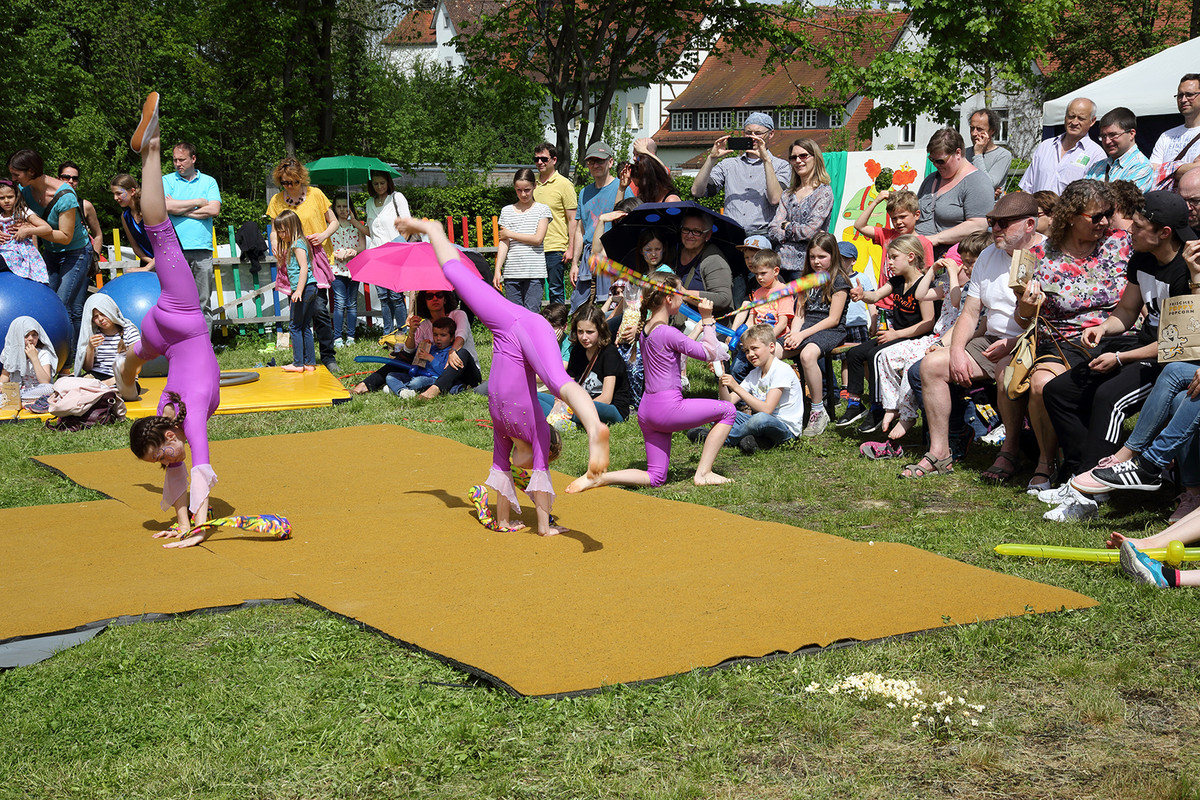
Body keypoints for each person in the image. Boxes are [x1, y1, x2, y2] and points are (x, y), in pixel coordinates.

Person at [395, 215, 610, 536]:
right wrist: (529, 525)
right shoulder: (532, 434)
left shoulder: (518, 433)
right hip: (512, 322)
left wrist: (519, 523)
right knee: (454, 272)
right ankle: (432, 230)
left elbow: (507, 473)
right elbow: (512, 476)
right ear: (550, 452)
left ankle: (595, 428)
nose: (520, 470)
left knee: (555, 380)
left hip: (516, 325)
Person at [1049, 194, 1199, 521]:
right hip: (1141, 348)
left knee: (1108, 398)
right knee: (1059, 391)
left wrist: (1121, 358)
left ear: (1164, 232)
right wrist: (1104, 329)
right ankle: (1077, 476)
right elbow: (1128, 310)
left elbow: (1179, 346)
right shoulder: (1142, 257)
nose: (1130, 230)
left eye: (1140, 227)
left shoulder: (1187, 271)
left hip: (1165, 359)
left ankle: (1095, 492)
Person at [116, 92, 222, 548]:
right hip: (166, 337)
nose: (165, 463)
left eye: (159, 457)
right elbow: (180, 470)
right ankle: (124, 377)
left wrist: (197, 528)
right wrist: (184, 522)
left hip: (181, 325)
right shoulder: (168, 420)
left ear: (161, 436)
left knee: (160, 235)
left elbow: (200, 468)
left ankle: (152, 149)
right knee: (135, 357)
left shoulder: (185, 417)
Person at [908, 192, 1045, 479]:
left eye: (1004, 223)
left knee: (1005, 371)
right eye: (993, 221)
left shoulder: (1047, 254)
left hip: (1033, 342)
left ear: (1030, 224)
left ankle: (1009, 451)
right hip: (991, 339)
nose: (995, 229)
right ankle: (940, 452)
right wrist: (957, 351)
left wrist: (1013, 343)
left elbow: (1047, 317)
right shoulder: (988, 254)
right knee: (930, 366)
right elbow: (970, 312)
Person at [1014, 179, 1130, 494]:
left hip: (1118, 334)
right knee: (1040, 385)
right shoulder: (1037, 253)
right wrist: (1026, 305)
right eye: (1096, 216)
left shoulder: (1120, 243)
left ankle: (1090, 467)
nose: (1105, 222)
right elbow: (1022, 317)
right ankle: (1045, 461)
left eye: (1108, 213)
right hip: (1062, 338)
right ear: (1070, 216)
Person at [568, 273, 733, 491]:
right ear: (668, 299)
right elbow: (710, 352)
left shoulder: (647, 329)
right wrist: (708, 319)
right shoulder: (666, 331)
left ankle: (600, 477)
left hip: (647, 412)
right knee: (728, 410)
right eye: (680, 292)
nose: (683, 297)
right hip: (667, 409)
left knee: (656, 477)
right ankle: (703, 473)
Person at [859, 231, 988, 460]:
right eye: (962, 262)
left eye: (968, 263)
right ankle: (891, 407)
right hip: (938, 338)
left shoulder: (966, 287)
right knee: (885, 356)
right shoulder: (949, 285)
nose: (964, 267)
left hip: (950, 340)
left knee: (914, 365)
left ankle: (909, 417)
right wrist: (933, 269)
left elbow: (958, 307)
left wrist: (951, 272)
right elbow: (921, 294)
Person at [691, 112, 791, 305]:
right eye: (748, 133)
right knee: (735, 287)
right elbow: (697, 190)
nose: (752, 137)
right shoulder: (729, 164)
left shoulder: (781, 165)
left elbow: (775, 198)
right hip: (732, 235)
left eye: (758, 133)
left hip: (762, 235)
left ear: (771, 135)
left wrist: (766, 161)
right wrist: (711, 159)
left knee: (761, 288)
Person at [841, 234, 937, 434]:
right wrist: (863, 295)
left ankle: (878, 407)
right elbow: (876, 295)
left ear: (911, 257)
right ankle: (855, 403)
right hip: (897, 335)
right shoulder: (897, 281)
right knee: (853, 354)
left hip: (914, 338)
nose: (889, 262)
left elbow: (928, 323)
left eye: (893, 257)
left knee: (874, 355)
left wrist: (896, 334)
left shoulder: (923, 286)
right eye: (888, 257)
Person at [6, 149, 93, 346]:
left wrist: (32, 231)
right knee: (44, 303)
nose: (13, 179)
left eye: (16, 174)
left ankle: (69, 362)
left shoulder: (65, 196)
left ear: (30, 171)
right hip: (51, 253)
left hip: (75, 253)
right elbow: (21, 220)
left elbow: (65, 236)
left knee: (61, 305)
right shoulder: (26, 190)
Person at [266, 156, 339, 373]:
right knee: (300, 313)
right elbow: (273, 230)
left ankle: (327, 356)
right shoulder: (277, 201)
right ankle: (305, 359)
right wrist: (275, 245)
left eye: (293, 182)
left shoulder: (316, 195)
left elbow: (334, 221)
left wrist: (323, 235)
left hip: (316, 258)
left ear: (301, 179)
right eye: (285, 183)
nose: (289, 186)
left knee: (320, 311)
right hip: (292, 260)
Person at [351, 289, 481, 399]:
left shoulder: (458, 314)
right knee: (402, 358)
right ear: (424, 301)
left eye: (439, 295)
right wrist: (412, 332)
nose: (435, 299)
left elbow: (461, 336)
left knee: (462, 352)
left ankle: (433, 391)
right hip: (434, 373)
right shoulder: (424, 325)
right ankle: (366, 385)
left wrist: (452, 352)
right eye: (429, 296)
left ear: (445, 299)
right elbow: (408, 352)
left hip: (465, 371)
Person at [783, 231, 853, 437]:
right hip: (806, 328)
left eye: (822, 256)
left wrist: (802, 336)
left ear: (833, 256)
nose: (816, 261)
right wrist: (793, 333)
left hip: (830, 330)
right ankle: (781, 404)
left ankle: (817, 410)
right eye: (812, 257)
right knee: (771, 351)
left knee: (807, 355)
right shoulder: (806, 279)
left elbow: (833, 319)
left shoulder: (839, 281)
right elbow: (800, 313)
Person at [718, 323, 806, 453]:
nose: (750, 354)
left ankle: (720, 438)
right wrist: (721, 378)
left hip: (784, 429)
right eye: (747, 351)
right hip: (760, 423)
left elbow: (767, 409)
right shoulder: (755, 373)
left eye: (754, 348)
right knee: (720, 412)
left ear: (771, 347)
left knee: (759, 419)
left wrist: (736, 387)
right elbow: (729, 402)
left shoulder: (781, 370)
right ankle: (753, 441)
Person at [539, 303, 631, 425]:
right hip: (580, 404)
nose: (584, 337)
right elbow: (568, 385)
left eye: (590, 332)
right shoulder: (577, 350)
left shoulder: (610, 353)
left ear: (600, 330)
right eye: (580, 331)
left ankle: (564, 420)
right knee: (535, 397)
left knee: (578, 412)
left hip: (611, 408)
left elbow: (606, 398)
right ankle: (562, 419)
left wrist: (574, 407)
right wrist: (560, 402)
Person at [162, 142, 221, 329]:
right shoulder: (166, 181)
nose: (177, 163)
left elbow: (214, 209)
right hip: (173, 249)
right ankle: (180, 346)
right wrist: (197, 202)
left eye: (182, 159)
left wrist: (181, 210)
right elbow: (165, 207)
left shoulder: (209, 182)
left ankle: (204, 347)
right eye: (174, 160)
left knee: (203, 302)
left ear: (193, 159)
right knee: (175, 302)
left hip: (202, 249)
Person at [569, 141, 634, 310]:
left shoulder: (622, 188)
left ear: (610, 162)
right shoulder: (584, 192)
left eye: (600, 161)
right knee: (584, 307)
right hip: (589, 256)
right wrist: (575, 263)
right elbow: (579, 230)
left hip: (612, 255)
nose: (595, 165)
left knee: (612, 304)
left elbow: (625, 223)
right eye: (591, 161)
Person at [915, 129, 992, 257]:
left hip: (954, 262)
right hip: (920, 257)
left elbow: (978, 225)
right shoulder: (931, 179)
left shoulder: (977, 182)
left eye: (940, 161)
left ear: (958, 153)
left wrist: (935, 239)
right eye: (932, 159)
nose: (935, 165)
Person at [767, 138, 834, 281]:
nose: (798, 161)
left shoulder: (824, 192)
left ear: (815, 158)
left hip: (806, 266)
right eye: (793, 157)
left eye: (803, 156)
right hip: (779, 266)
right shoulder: (787, 194)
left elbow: (809, 231)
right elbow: (773, 229)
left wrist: (786, 226)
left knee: (800, 304)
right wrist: (797, 231)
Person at [493, 168, 553, 312]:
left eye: (527, 189)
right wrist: (497, 269)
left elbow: (538, 239)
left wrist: (510, 234)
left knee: (532, 313)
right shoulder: (506, 211)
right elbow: (503, 242)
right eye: (519, 190)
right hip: (512, 272)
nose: (523, 194)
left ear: (534, 186)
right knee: (515, 315)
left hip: (534, 272)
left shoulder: (542, 210)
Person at [853, 189, 935, 290]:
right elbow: (859, 226)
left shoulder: (924, 243)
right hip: (883, 302)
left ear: (917, 215)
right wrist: (875, 202)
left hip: (906, 302)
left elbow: (928, 275)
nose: (898, 222)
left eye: (902, 217)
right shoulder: (887, 235)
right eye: (894, 218)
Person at [1019, 98, 1104, 194]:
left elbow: (1095, 199)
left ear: (1092, 121)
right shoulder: (1045, 146)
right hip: (1037, 208)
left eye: (1081, 118)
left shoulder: (1096, 155)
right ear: (1065, 117)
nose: (1074, 122)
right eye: (1071, 116)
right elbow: (1027, 188)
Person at [730, 249, 791, 381]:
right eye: (757, 274)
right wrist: (741, 336)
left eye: (763, 273)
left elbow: (783, 323)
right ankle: (743, 399)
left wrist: (766, 341)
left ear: (776, 271)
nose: (759, 278)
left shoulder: (783, 292)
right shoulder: (757, 293)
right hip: (756, 340)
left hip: (775, 339)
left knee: (765, 373)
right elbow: (751, 321)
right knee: (736, 369)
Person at [363, 170, 411, 333]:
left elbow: (407, 226)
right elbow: (372, 232)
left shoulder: (397, 198)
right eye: (375, 184)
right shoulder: (369, 203)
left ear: (388, 182)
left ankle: (403, 332)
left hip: (394, 253)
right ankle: (388, 333)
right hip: (376, 255)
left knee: (396, 296)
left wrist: (399, 246)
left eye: (382, 183)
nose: (379, 186)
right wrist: (354, 221)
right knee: (383, 297)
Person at [532, 142, 578, 305]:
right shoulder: (531, 183)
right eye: (536, 159)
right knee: (533, 290)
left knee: (555, 290)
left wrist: (570, 247)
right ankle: (536, 327)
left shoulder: (565, 185)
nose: (539, 163)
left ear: (554, 160)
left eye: (544, 159)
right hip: (533, 246)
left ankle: (558, 327)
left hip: (555, 247)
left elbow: (573, 220)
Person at [273, 209, 318, 373]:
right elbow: (291, 270)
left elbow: (304, 268)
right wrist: (280, 260)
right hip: (309, 288)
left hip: (304, 289)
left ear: (293, 227)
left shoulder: (298, 244)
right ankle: (309, 363)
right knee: (305, 326)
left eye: (283, 231)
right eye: (278, 232)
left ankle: (298, 363)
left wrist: (298, 290)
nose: (281, 234)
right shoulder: (297, 244)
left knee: (295, 326)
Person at [674, 209, 733, 317]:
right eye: (686, 229)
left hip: (707, 326)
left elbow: (723, 299)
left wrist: (683, 293)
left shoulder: (714, 259)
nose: (690, 235)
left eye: (697, 232)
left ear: (708, 235)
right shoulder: (674, 251)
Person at [385, 316, 459, 398]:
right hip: (418, 376)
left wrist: (430, 358)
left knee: (417, 382)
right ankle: (402, 391)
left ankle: (396, 388)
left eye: (443, 335)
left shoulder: (451, 353)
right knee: (391, 376)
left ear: (452, 338)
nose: (438, 338)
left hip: (434, 379)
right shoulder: (432, 348)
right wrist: (422, 347)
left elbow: (443, 372)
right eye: (435, 335)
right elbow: (418, 363)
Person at [1084, 107, 1154, 191]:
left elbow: (1122, 202)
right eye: (1103, 136)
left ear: (1131, 134)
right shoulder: (1097, 166)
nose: (1107, 141)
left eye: (1113, 135)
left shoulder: (1142, 167)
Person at [74, 294, 140, 383]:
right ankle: (102, 393)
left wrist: (107, 383)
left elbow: (137, 367)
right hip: (96, 376)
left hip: (123, 376)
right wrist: (90, 348)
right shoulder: (94, 334)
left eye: (103, 314)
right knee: (63, 383)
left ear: (111, 311)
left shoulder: (129, 331)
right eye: (95, 317)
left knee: (126, 390)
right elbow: (87, 368)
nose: (100, 319)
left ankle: (102, 392)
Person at [1150, 74, 1200, 186]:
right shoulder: (1166, 136)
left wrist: (1165, 170)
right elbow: (1151, 172)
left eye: (1190, 95)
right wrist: (1188, 168)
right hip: (1165, 201)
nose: (1183, 100)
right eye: (1180, 95)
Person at [329, 196, 366, 346]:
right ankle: (337, 337)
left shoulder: (356, 226)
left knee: (352, 303)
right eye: (339, 207)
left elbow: (362, 247)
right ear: (334, 208)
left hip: (354, 268)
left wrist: (352, 251)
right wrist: (337, 253)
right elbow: (327, 247)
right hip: (337, 269)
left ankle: (350, 336)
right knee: (339, 303)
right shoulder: (331, 226)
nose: (343, 210)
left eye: (346, 206)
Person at [0, 178, 49, 283]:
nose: (6, 201)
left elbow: (47, 228)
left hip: (17, 253)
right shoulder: (0, 215)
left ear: (16, 197)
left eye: (10, 197)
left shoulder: (23, 212)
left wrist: (27, 231)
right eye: (2, 198)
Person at [0, 317, 56, 402]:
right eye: (26, 335)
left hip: (36, 391)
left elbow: (45, 381)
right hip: (16, 389)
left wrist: (34, 358)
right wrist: (1, 385)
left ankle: (16, 400)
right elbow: (5, 375)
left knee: (49, 389)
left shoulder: (43, 354)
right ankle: (20, 400)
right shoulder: (9, 352)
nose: (31, 339)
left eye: (34, 335)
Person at [56, 162, 104, 260]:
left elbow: (98, 235)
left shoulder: (85, 206)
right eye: (66, 177)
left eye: (75, 178)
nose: (71, 181)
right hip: (53, 254)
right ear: (58, 179)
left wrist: (94, 258)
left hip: (79, 257)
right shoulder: (48, 203)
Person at [109, 174, 154, 271]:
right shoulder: (125, 216)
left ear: (132, 191)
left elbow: (164, 244)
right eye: (113, 194)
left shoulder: (149, 210)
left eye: (118, 193)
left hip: (167, 260)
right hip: (147, 262)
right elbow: (135, 246)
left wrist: (150, 266)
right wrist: (150, 264)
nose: (115, 198)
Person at [964, 108, 1013, 195]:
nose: (973, 133)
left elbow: (986, 184)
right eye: (972, 128)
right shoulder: (963, 154)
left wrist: (978, 154)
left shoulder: (1003, 155)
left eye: (979, 129)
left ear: (992, 131)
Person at [621, 139, 682, 203]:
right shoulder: (634, 172)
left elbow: (661, 170)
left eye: (638, 155)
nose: (634, 158)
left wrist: (645, 151)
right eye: (634, 154)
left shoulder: (669, 198)